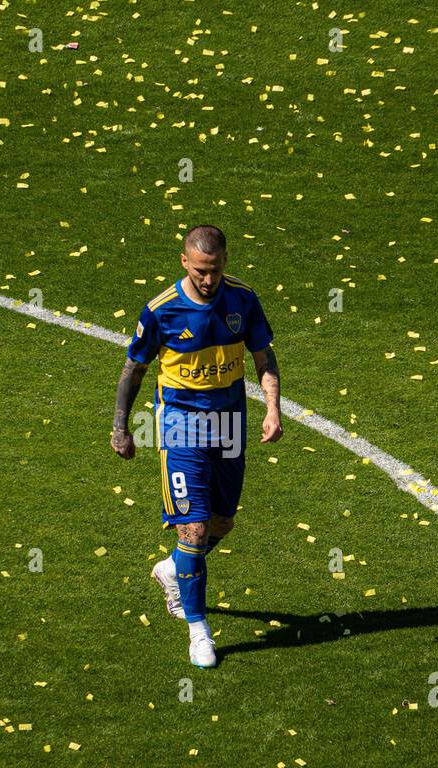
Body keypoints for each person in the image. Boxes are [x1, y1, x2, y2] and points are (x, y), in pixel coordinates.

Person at [110, 225, 282, 667]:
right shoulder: (161, 311)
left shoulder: (242, 299)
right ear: (184, 262)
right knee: (196, 530)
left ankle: (172, 569)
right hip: (180, 428)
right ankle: (198, 630)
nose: (209, 280)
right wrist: (121, 428)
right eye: (202, 271)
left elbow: (264, 358)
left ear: (226, 260)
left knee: (223, 524)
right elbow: (134, 370)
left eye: (217, 270)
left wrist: (272, 409)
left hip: (228, 424)